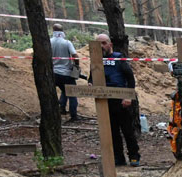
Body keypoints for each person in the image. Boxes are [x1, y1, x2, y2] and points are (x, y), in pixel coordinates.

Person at [91, 34, 139, 167]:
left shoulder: (119, 59)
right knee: (112, 132)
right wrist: (91, 85)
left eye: (104, 43)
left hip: (121, 101)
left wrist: (128, 96)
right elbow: (91, 79)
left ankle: (134, 156)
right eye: (98, 44)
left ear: (110, 44)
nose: (101, 46)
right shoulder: (96, 61)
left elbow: (130, 79)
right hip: (105, 102)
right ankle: (119, 158)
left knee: (128, 131)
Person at [50, 24, 80, 123]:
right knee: (72, 94)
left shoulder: (49, 42)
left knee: (64, 90)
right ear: (62, 31)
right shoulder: (67, 42)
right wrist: (76, 68)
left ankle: (61, 109)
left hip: (54, 73)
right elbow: (75, 56)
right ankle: (74, 115)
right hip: (66, 73)